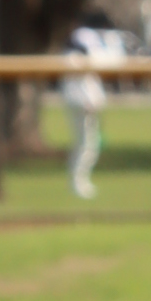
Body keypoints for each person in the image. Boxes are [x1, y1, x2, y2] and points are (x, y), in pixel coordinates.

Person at [59, 59, 108, 199]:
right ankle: (78, 182)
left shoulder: (85, 60)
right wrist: (88, 103)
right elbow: (77, 90)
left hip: (87, 108)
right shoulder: (75, 59)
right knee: (87, 146)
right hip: (83, 108)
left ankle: (79, 181)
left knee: (86, 146)